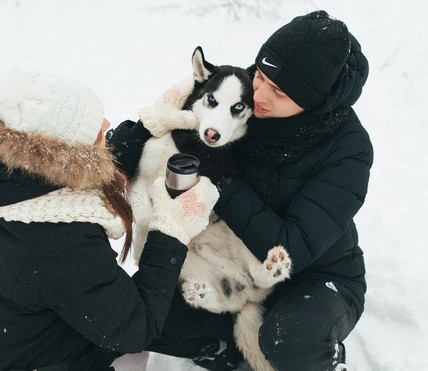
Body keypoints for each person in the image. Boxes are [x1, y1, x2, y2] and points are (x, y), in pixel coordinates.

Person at [107, 10, 371, 371]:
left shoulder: (348, 150)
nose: (258, 94)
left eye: (277, 91)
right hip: (227, 268)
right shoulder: (242, 98)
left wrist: (220, 177)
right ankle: (227, 352)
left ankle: (322, 359)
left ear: (310, 103)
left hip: (313, 275)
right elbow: (161, 129)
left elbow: (290, 248)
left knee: (289, 340)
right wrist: (144, 128)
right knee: (131, 315)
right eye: (260, 75)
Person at [0, 70, 219, 371]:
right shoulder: (62, 242)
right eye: (95, 132)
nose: (106, 126)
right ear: (69, 155)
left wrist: (146, 127)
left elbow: (84, 169)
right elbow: (136, 329)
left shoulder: (13, 187)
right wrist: (171, 231)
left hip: (20, 351)